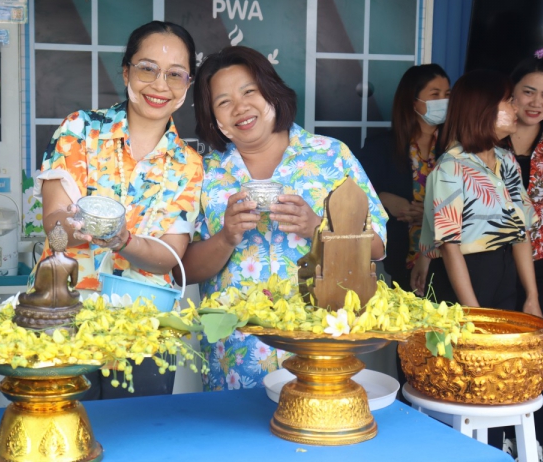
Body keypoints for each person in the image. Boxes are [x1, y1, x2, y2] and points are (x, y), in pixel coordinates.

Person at [182, 46, 387, 391]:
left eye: (249, 91)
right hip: (236, 356)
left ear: (271, 92)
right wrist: (226, 237)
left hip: (319, 347)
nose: (240, 107)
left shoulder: (331, 156)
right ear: (215, 119)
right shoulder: (205, 174)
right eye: (224, 101)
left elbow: (378, 247)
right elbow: (183, 270)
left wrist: (318, 228)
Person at [34, 21, 203, 399]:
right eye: (147, 69)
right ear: (126, 72)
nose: (160, 85)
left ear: (187, 84)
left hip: (145, 327)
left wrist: (123, 240)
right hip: (63, 314)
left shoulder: (188, 164)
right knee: (61, 429)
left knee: (136, 430)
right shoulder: (79, 130)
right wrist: (80, 227)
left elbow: (169, 256)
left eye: (175, 74)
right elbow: (54, 225)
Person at [417, 69, 541, 447]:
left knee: (498, 376)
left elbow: (520, 233)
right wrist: (472, 313)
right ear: (482, 109)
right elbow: (450, 245)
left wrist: (531, 297)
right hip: (463, 278)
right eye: (508, 101)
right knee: (461, 376)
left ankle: (495, 450)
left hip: (504, 271)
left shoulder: (506, 160)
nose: (516, 108)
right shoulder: (450, 167)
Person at [500, 49, 543, 448]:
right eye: (528, 91)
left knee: (538, 344)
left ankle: (531, 438)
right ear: (512, 91)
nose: (536, 103)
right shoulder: (490, 133)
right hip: (491, 258)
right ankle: (496, 435)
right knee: (497, 342)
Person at [358, 64, 450, 293]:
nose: (444, 101)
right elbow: (354, 196)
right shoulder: (381, 147)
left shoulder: (456, 148)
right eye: (435, 94)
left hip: (448, 260)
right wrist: (383, 198)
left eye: (447, 94)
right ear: (413, 101)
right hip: (398, 259)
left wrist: (430, 215)